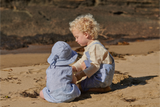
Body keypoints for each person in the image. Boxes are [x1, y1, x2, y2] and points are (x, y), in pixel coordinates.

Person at [69, 13, 115, 92]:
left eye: (77, 37)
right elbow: (82, 60)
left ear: (86, 34)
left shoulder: (95, 47)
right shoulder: (90, 46)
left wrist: (80, 74)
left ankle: (102, 88)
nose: (76, 40)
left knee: (79, 86)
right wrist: (73, 68)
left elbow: (95, 66)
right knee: (84, 62)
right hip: (99, 75)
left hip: (101, 78)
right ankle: (99, 86)